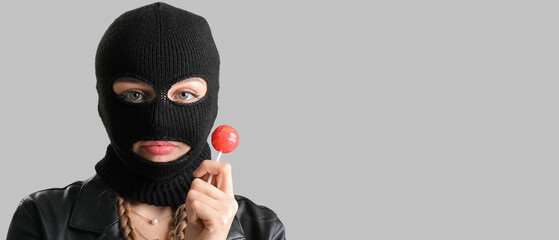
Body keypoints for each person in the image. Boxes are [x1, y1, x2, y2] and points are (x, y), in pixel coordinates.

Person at [7, 2, 285, 240]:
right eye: (135, 94)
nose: (159, 125)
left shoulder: (261, 230)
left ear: (212, 100)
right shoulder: (42, 219)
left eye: (185, 94)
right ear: (103, 102)